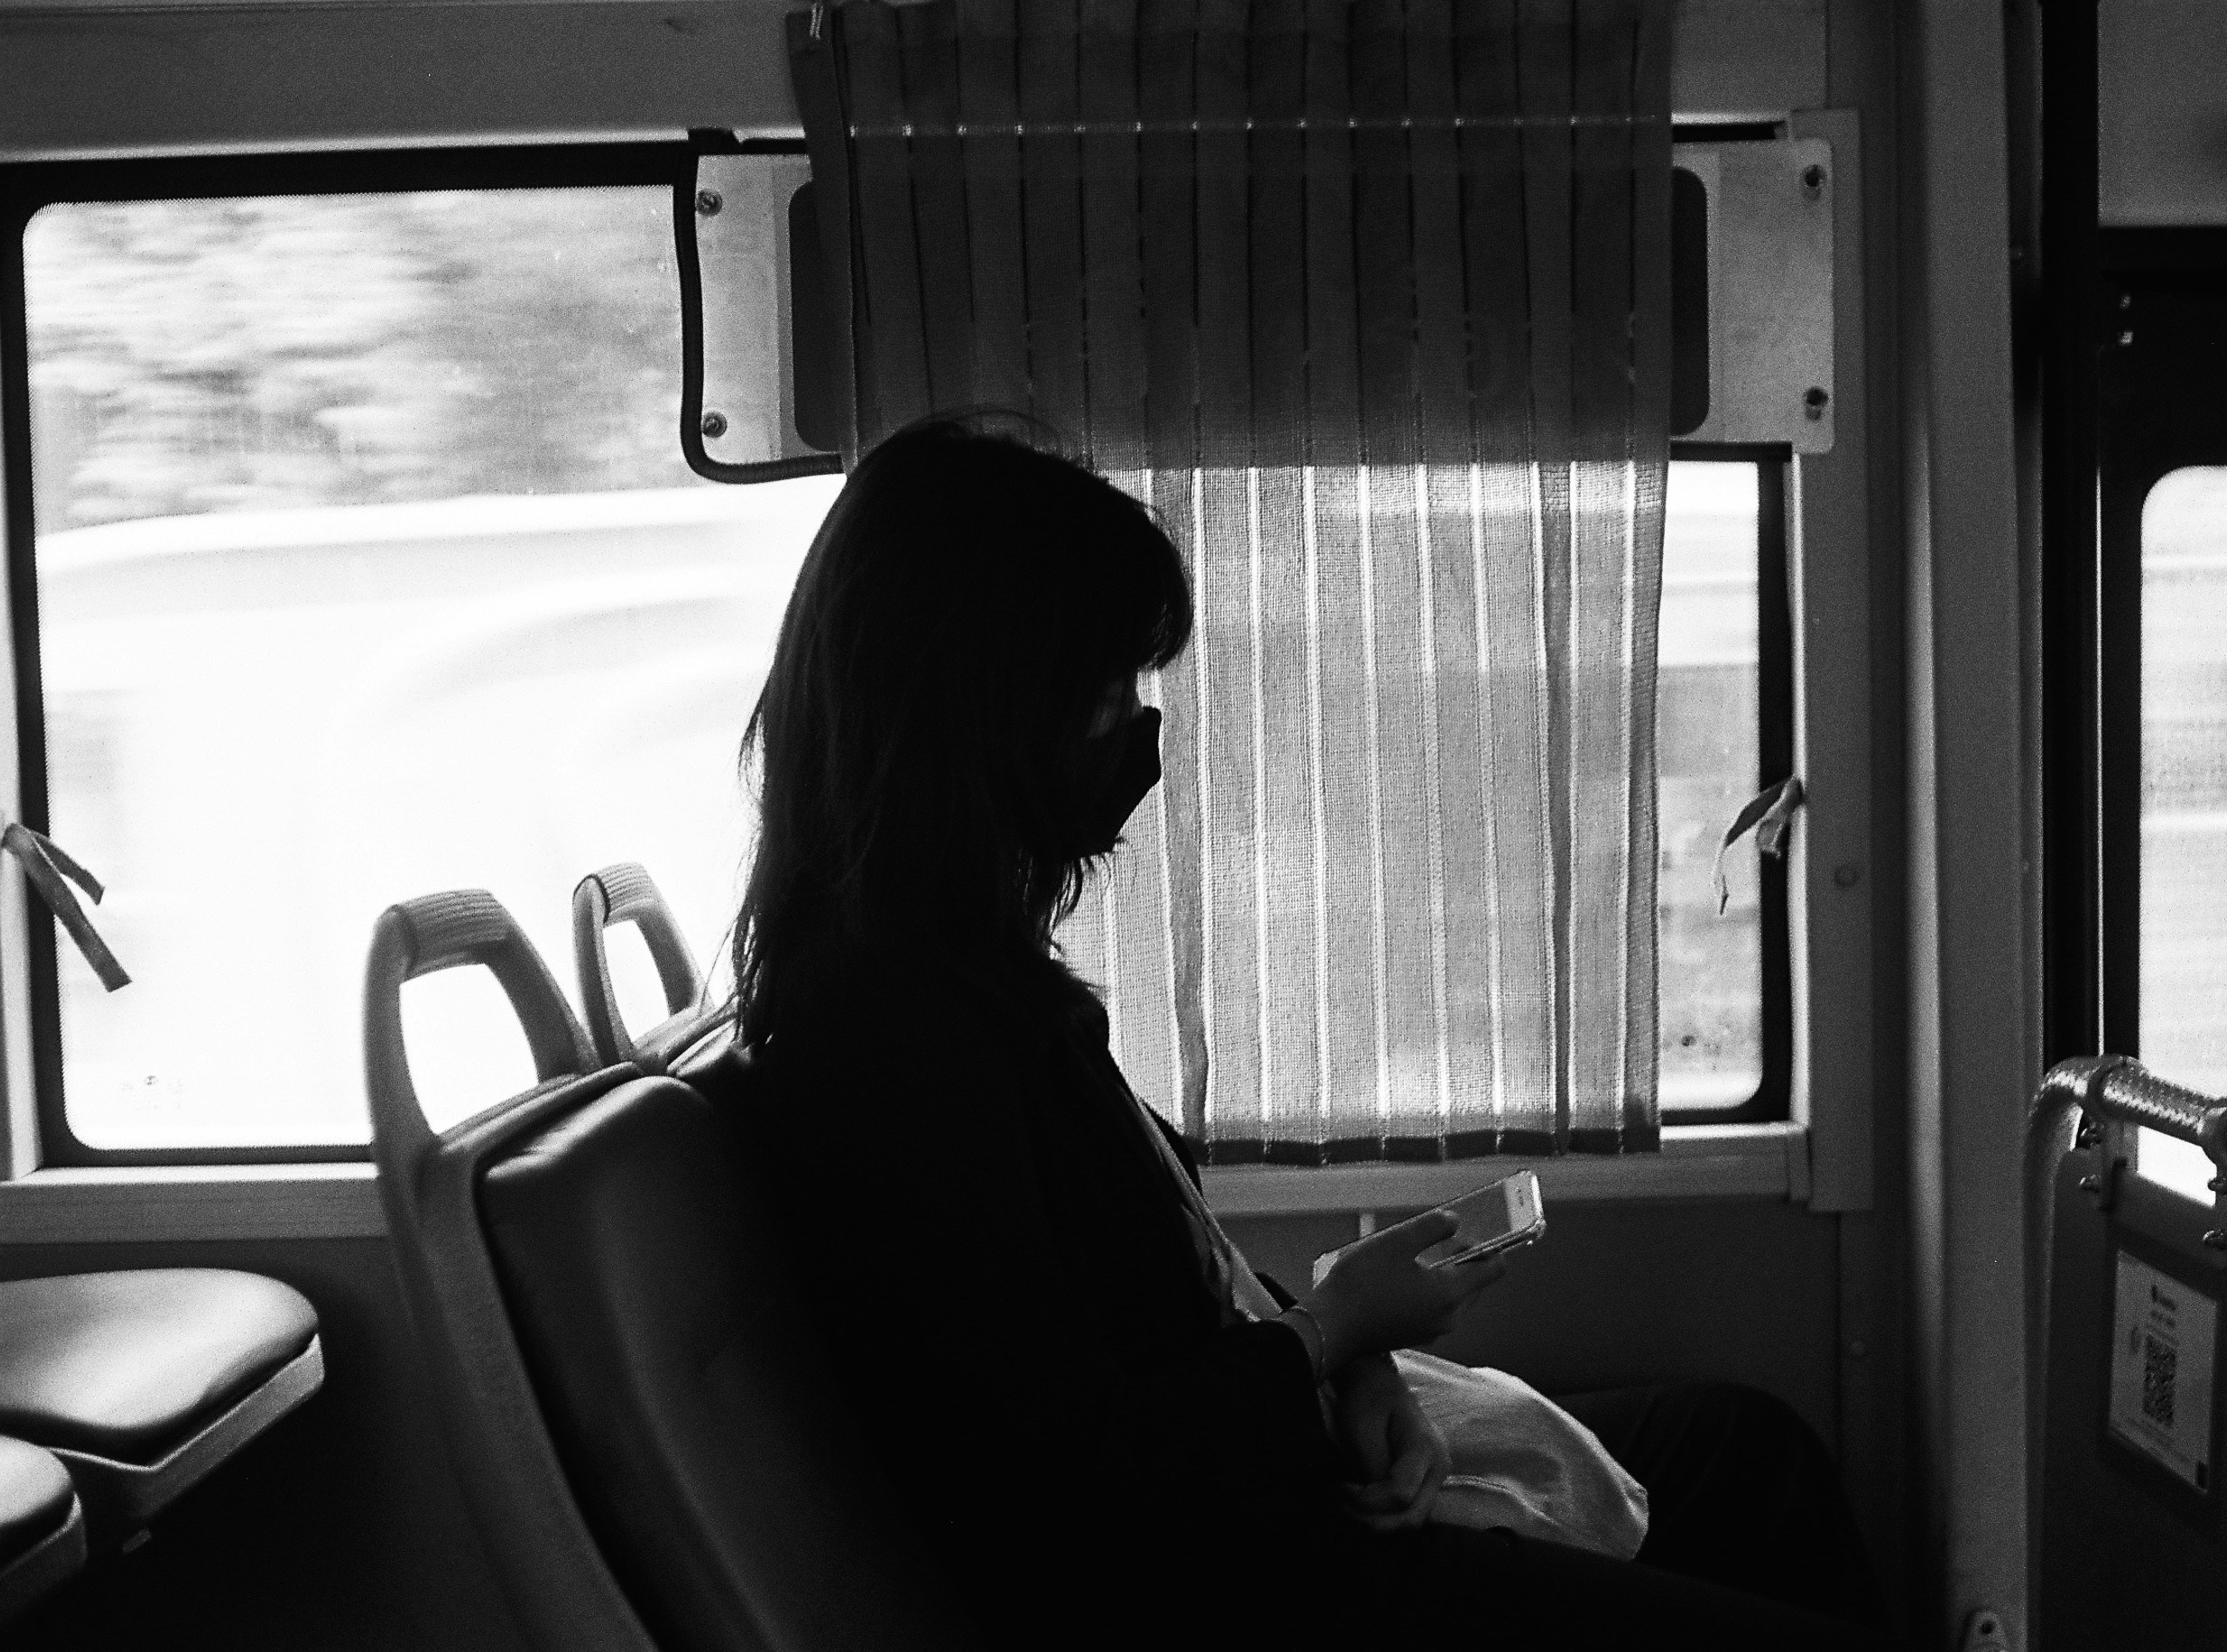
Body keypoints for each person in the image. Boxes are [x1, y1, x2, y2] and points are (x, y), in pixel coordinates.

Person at [736, 416, 1888, 1649]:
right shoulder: (890, 1054)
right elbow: (1086, 1485)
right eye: (1103, 689)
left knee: (1751, 1457)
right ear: (986, 706)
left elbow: (1162, 1294)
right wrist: (1337, 1328)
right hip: (1241, 1589)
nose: (1134, 727)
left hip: (1258, 1508)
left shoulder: (973, 981)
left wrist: (1348, 1365)